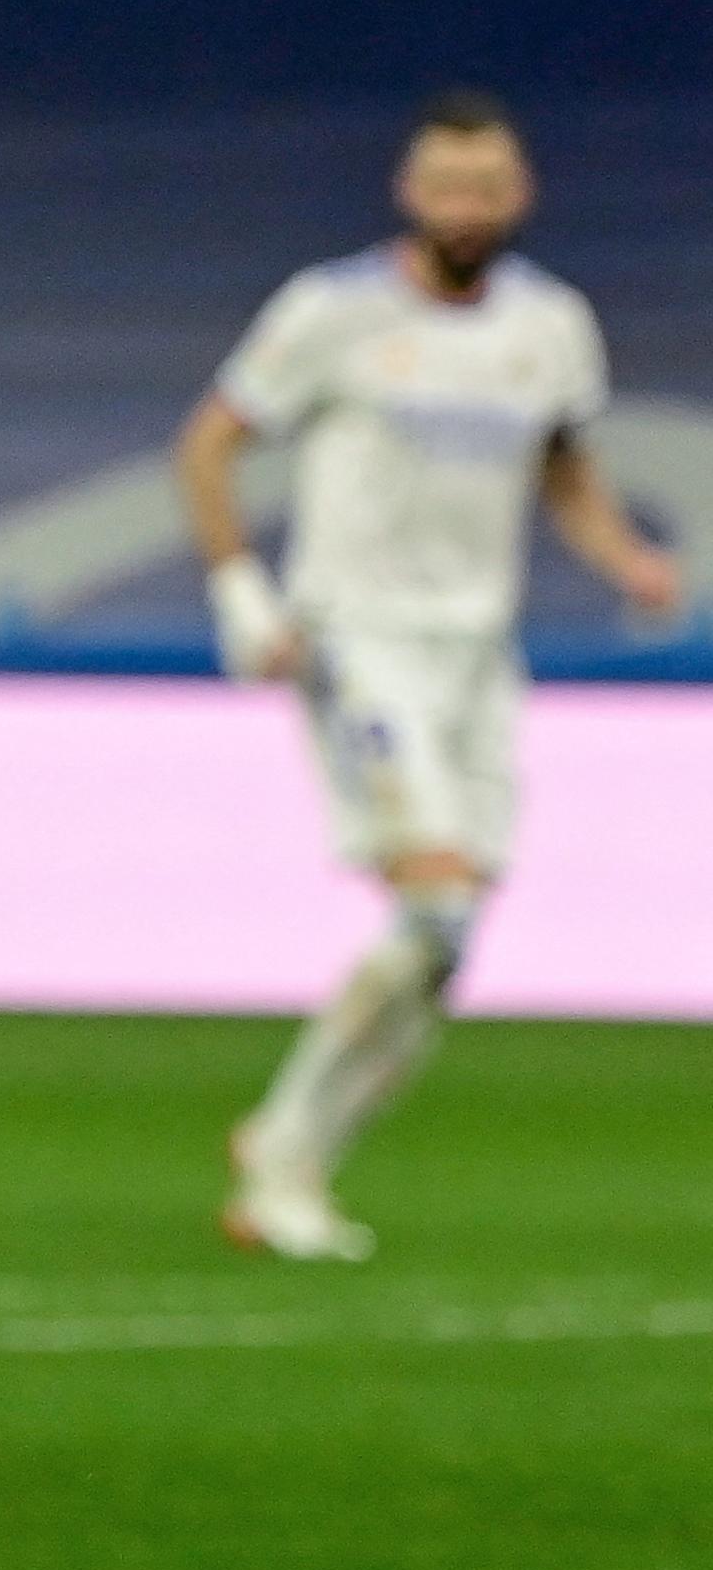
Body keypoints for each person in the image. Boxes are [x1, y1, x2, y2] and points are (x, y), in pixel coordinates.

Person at [180, 91, 682, 1261]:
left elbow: (562, 462)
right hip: (358, 635)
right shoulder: (331, 311)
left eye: (486, 187)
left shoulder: (548, 325)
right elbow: (209, 442)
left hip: (476, 649)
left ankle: (288, 1142)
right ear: (408, 193)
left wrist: (620, 557)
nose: (465, 207)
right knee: (436, 903)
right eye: (445, 186)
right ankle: (283, 1159)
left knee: (448, 938)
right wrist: (240, 591)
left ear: (519, 197)